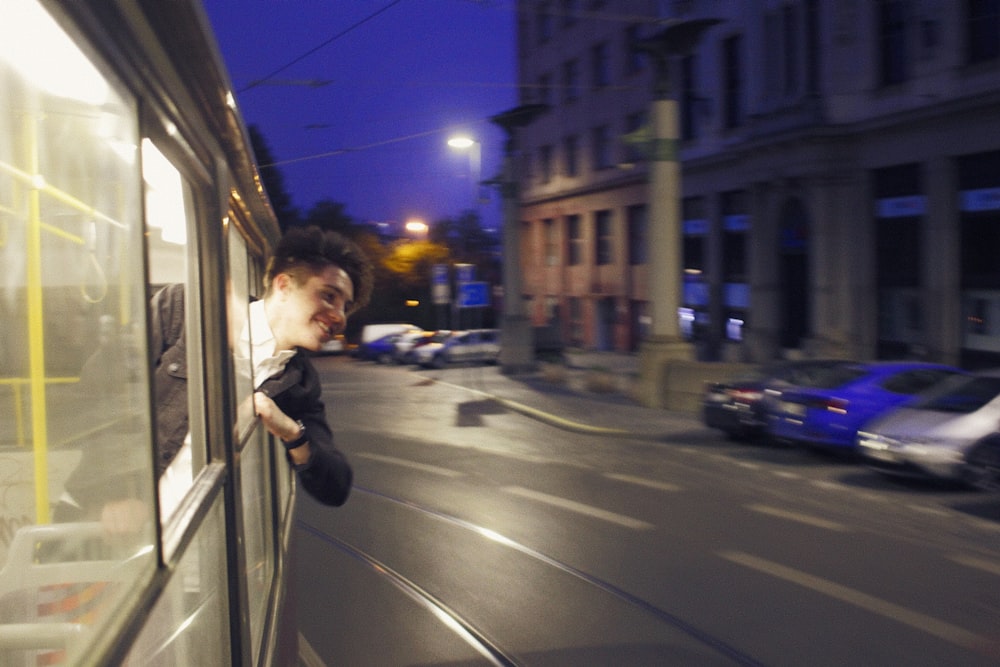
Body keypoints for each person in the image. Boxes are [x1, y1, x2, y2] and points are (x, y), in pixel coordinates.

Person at [58, 226, 373, 527]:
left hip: (206, 554)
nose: (339, 318)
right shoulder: (183, 308)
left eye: (346, 307)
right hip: (106, 526)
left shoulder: (300, 382)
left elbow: (336, 487)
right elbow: (97, 396)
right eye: (329, 296)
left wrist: (291, 431)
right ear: (284, 286)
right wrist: (119, 496)